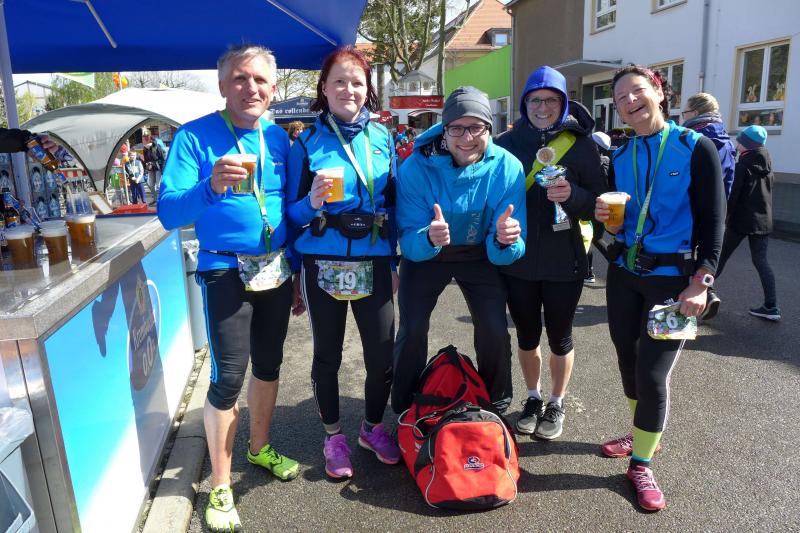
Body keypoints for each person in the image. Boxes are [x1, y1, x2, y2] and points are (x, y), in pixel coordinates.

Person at [157, 44, 301, 533]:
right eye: (240, 78)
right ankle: (221, 483)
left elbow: (288, 210)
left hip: (276, 269)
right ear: (223, 86)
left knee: (270, 365)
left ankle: (259, 448)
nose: (250, 88)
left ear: (273, 88)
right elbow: (168, 212)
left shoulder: (279, 139)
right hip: (224, 271)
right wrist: (211, 186)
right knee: (228, 378)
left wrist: (296, 269)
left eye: (260, 80)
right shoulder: (194, 138)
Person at [594, 65, 724, 511]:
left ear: (660, 93)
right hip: (625, 274)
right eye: (621, 97)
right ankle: (642, 432)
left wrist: (701, 282)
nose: (629, 101)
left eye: (637, 91)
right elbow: (619, 221)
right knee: (627, 360)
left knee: (652, 374)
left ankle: (642, 463)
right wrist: (607, 222)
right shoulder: (622, 154)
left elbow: (715, 221)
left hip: (673, 281)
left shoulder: (694, 146)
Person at [286, 45, 400, 479]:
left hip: (373, 259)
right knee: (327, 355)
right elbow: (291, 213)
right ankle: (333, 437)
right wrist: (310, 205)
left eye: (356, 82)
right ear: (324, 87)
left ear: (367, 88)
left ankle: (372, 428)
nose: (348, 89)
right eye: (339, 81)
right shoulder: (306, 142)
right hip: (322, 261)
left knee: (382, 356)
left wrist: (395, 262)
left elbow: (394, 204)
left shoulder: (383, 138)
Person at [392, 86, 526, 415]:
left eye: (476, 127)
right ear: (444, 130)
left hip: (479, 254)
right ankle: (406, 406)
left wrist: (504, 240)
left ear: (489, 129)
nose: (466, 138)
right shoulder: (415, 167)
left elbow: (512, 247)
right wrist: (428, 237)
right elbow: (408, 239)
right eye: (456, 128)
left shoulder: (508, 167)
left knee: (494, 328)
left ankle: (495, 405)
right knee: (412, 328)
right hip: (428, 256)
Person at [494, 66, 606, 440]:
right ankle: (533, 396)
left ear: (563, 103)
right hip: (518, 260)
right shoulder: (506, 144)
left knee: (560, 336)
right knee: (526, 335)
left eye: (551, 100)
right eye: (535, 100)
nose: (543, 107)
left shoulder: (583, 145)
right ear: (524, 103)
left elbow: (599, 203)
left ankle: (556, 401)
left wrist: (573, 196)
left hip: (565, 259)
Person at [711, 125, 779, 321]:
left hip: (741, 221)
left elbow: (733, 196)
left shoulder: (742, 166)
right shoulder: (767, 164)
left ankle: (702, 294)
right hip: (763, 221)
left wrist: (723, 216)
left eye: (740, 141)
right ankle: (771, 306)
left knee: (719, 258)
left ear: (748, 144)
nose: (737, 144)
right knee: (761, 262)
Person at [681, 93, 736, 320]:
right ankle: (705, 292)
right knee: (703, 252)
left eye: (684, 112)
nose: (683, 117)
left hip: (692, 207)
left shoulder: (696, 139)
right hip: (717, 207)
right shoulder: (726, 140)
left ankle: (696, 297)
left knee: (686, 255)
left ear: (695, 113)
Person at [143, 128, 166, 201]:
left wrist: (162, 169)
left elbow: (162, 158)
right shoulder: (145, 148)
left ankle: (161, 199)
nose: (145, 138)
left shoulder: (156, 146)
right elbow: (146, 159)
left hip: (158, 168)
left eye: (147, 136)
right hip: (151, 168)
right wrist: (147, 165)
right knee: (151, 184)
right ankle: (155, 199)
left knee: (158, 185)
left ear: (150, 136)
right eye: (144, 136)